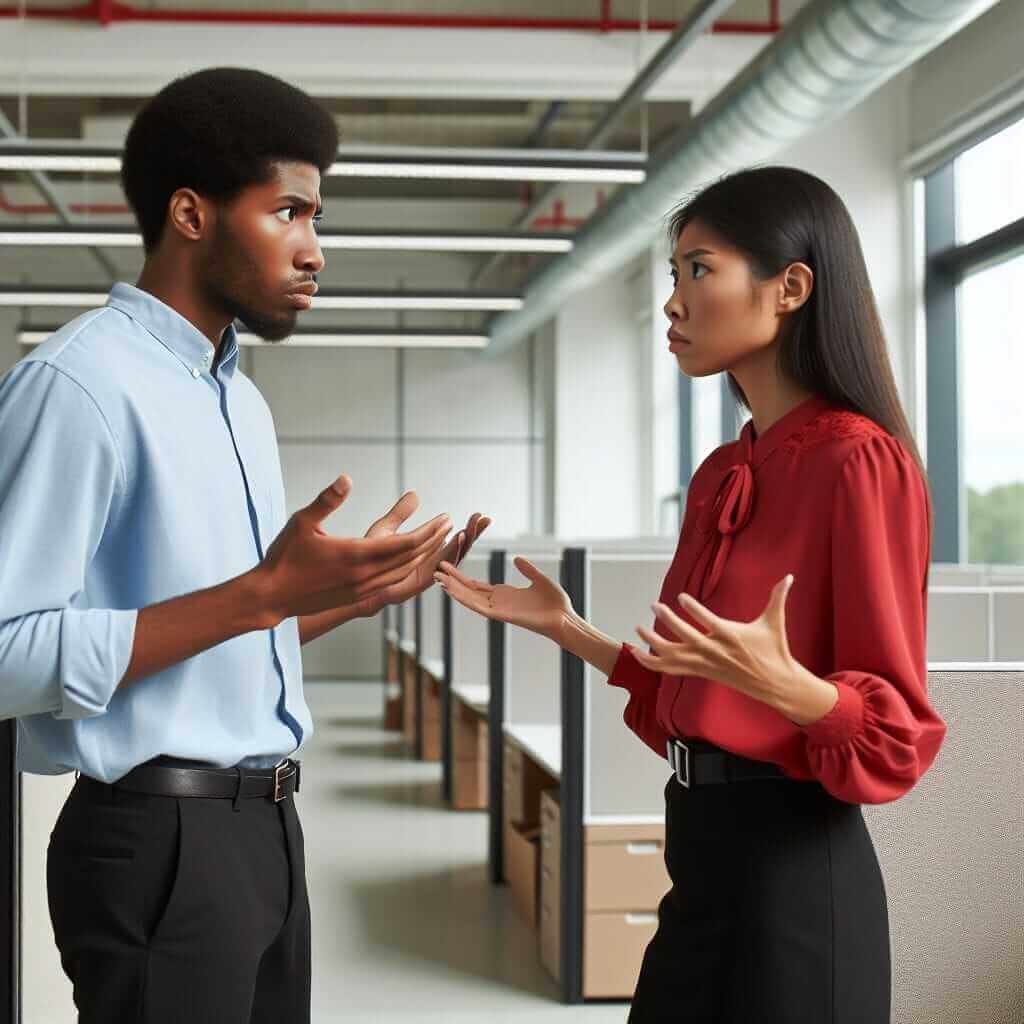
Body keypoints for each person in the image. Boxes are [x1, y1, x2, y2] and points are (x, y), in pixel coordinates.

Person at [0, 66, 489, 1023]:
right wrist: (264, 596)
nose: (315, 251)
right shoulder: (78, 386)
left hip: (266, 830)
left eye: (317, 219)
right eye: (291, 213)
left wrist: (347, 594)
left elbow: (212, 644)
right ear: (191, 214)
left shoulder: (238, 400)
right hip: (157, 837)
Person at [435, 165, 948, 1023]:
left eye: (698, 270)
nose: (674, 302)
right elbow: (701, 692)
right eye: (673, 275)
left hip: (795, 877)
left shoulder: (858, 462)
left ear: (790, 288)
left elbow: (895, 729)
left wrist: (792, 689)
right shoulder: (723, 471)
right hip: (701, 865)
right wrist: (574, 633)